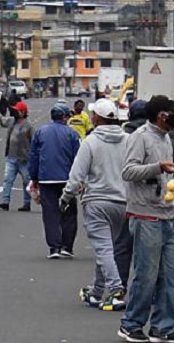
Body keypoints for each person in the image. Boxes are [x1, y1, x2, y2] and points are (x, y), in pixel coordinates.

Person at [117, 95, 174, 343]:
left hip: (168, 214)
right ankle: (131, 324)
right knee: (146, 274)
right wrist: (157, 166)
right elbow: (128, 171)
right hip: (145, 214)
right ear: (162, 115)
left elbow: (169, 181)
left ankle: (163, 327)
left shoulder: (166, 137)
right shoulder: (140, 137)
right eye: (173, 112)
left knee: (172, 276)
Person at [60, 99, 130, 312]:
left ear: (98, 119)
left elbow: (76, 175)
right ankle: (97, 290)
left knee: (103, 248)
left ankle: (117, 289)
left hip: (97, 202)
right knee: (107, 249)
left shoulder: (90, 142)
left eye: (93, 115)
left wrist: (65, 197)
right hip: (123, 203)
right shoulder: (128, 140)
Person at [28, 103, 81, 259]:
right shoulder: (72, 134)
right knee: (69, 213)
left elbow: (34, 157)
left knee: (50, 214)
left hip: (46, 179)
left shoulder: (40, 132)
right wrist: (79, 179)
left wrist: (34, 178)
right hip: (67, 179)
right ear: (64, 117)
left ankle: (54, 247)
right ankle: (67, 246)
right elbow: (78, 159)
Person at [0, 101, 34, 212]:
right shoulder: (12, 121)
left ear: (23, 112)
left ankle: (26, 204)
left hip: (24, 159)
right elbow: (2, 121)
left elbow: (34, 142)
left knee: (26, 181)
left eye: (17, 110)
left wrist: (33, 156)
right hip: (11, 157)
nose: (14, 112)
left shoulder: (28, 125)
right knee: (7, 180)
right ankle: (5, 202)